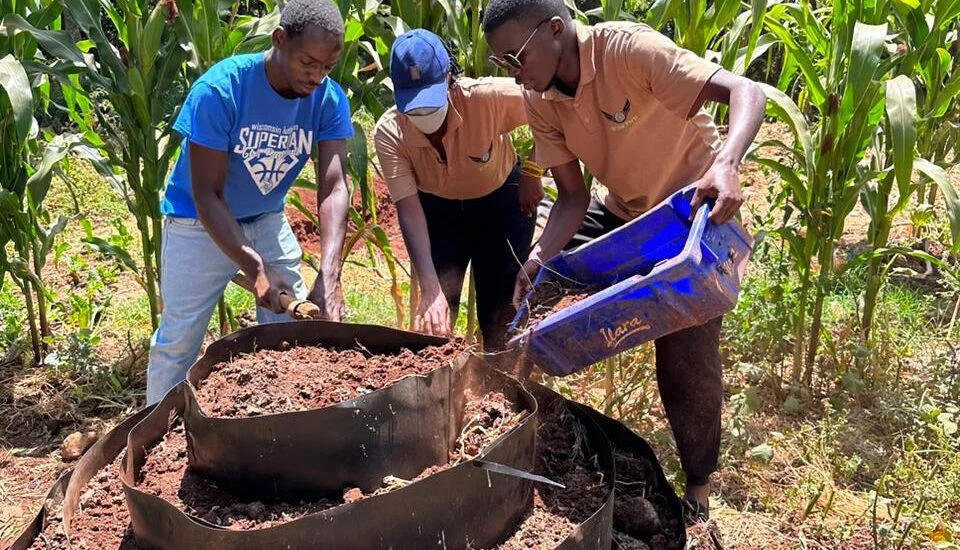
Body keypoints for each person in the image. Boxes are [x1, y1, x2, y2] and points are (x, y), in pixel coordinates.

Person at [483, 0, 767, 521]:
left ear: (554, 30)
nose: (514, 73)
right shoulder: (540, 97)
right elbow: (570, 198)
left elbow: (746, 90)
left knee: (684, 358)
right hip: (623, 211)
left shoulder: (628, 50)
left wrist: (726, 165)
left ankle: (699, 486)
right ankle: (508, 417)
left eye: (516, 57)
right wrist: (540, 257)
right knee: (541, 283)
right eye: (502, 64)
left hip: (691, 211)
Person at [146, 0, 354, 405]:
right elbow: (206, 194)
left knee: (287, 333)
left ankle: (275, 424)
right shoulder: (220, 91)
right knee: (178, 343)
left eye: (327, 67)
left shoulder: (328, 99)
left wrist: (330, 272)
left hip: (266, 217)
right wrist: (255, 268)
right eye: (307, 63)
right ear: (279, 40)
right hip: (197, 223)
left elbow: (333, 187)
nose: (316, 77)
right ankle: (151, 441)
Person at [374, 29, 544, 350]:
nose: (424, 116)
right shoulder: (390, 132)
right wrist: (430, 287)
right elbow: (409, 209)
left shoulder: (488, 98)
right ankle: (439, 389)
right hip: (436, 213)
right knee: (435, 322)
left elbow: (554, 107)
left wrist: (534, 169)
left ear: (450, 80)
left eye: (430, 102)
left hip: (502, 208)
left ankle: (501, 387)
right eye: (413, 106)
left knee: (502, 315)